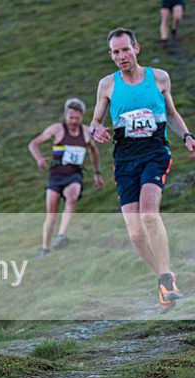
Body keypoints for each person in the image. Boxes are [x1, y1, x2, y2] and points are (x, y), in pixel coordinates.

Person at [90, 28, 195, 311]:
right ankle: (163, 280)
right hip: (124, 161)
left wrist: (186, 136)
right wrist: (96, 131)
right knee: (135, 234)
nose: (121, 56)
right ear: (110, 56)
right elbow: (95, 122)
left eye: (125, 49)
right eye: (116, 52)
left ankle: (167, 275)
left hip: (154, 155)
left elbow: (171, 114)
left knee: (149, 214)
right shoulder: (107, 85)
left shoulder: (159, 78)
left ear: (136, 48)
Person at [28, 98, 103, 256]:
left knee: (72, 198)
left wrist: (97, 173)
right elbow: (33, 144)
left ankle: (61, 235)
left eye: (77, 118)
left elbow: (94, 152)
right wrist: (39, 159)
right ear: (65, 116)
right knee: (51, 214)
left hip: (74, 175)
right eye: (70, 118)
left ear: (82, 117)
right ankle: (46, 248)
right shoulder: (57, 129)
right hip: (55, 176)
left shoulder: (86, 132)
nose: (73, 121)